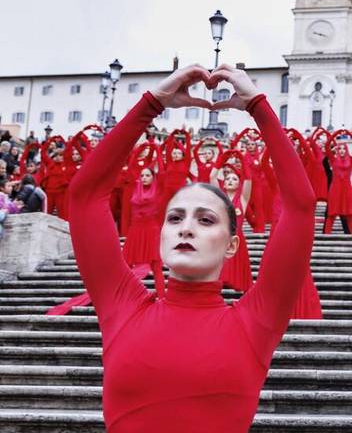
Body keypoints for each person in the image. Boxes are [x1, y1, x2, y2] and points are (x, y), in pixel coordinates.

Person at [66, 64, 316, 431]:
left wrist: (259, 106)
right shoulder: (122, 306)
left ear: (232, 245)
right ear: (161, 235)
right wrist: (152, 103)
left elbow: (300, 207)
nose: (186, 227)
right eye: (175, 218)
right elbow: (85, 196)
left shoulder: (256, 322)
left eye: (205, 219)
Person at [211, 150, 253, 292]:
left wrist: (241, 158)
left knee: (240, 281)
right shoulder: (220, 197)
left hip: (237, 241)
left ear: (239, 183)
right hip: (221, 239)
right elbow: (212, 177)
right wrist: (222, 159)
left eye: (234, 179)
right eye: (228, 178)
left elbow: (248, 180)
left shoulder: (243, 199)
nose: (230, 181)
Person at [122, 166, 167, 297]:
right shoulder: (135, 189)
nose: (144, 178)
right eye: (142, 176)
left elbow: (163, 173)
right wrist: (138, 151)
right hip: (135, 230)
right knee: (127, 265)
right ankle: (126, 295)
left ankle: (162, 297)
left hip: (151, 230)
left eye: (147, 175)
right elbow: (130, 170)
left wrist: (156, 149)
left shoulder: (158, 189)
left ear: (153, 178)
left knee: (156, 266)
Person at [324, 130, 352, 234]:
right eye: (340, 148)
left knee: (349, 216)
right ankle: (326, 237)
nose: (342, 150)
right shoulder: (333, 159)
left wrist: (349, 134)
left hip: (347, 189)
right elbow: (327, 145)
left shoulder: (351, 159)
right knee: (331, 216)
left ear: (347, 150)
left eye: (344, 148)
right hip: (335, 189)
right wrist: (336, 134)